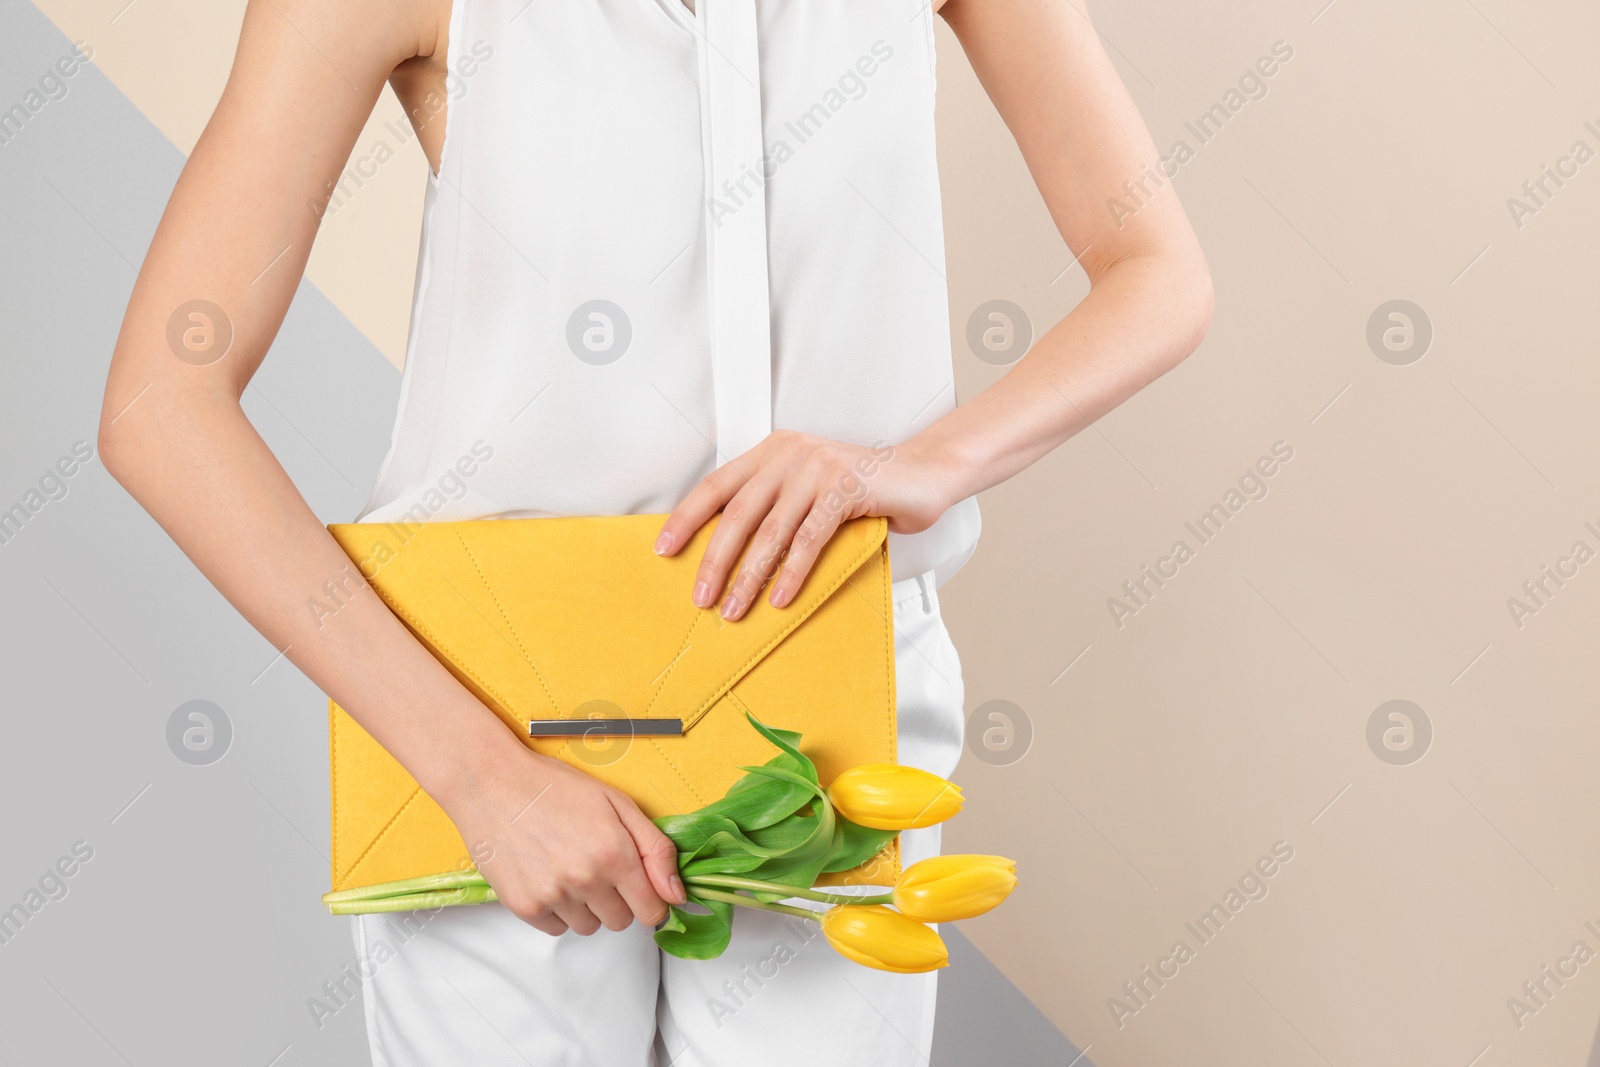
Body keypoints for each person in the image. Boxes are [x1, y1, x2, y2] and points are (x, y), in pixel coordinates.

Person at [99, 0, 1211, 1062]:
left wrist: (924, 463)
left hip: (830, 694)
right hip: (484, 711)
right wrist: (481, 776)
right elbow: (160, 405)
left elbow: (1159, 273)